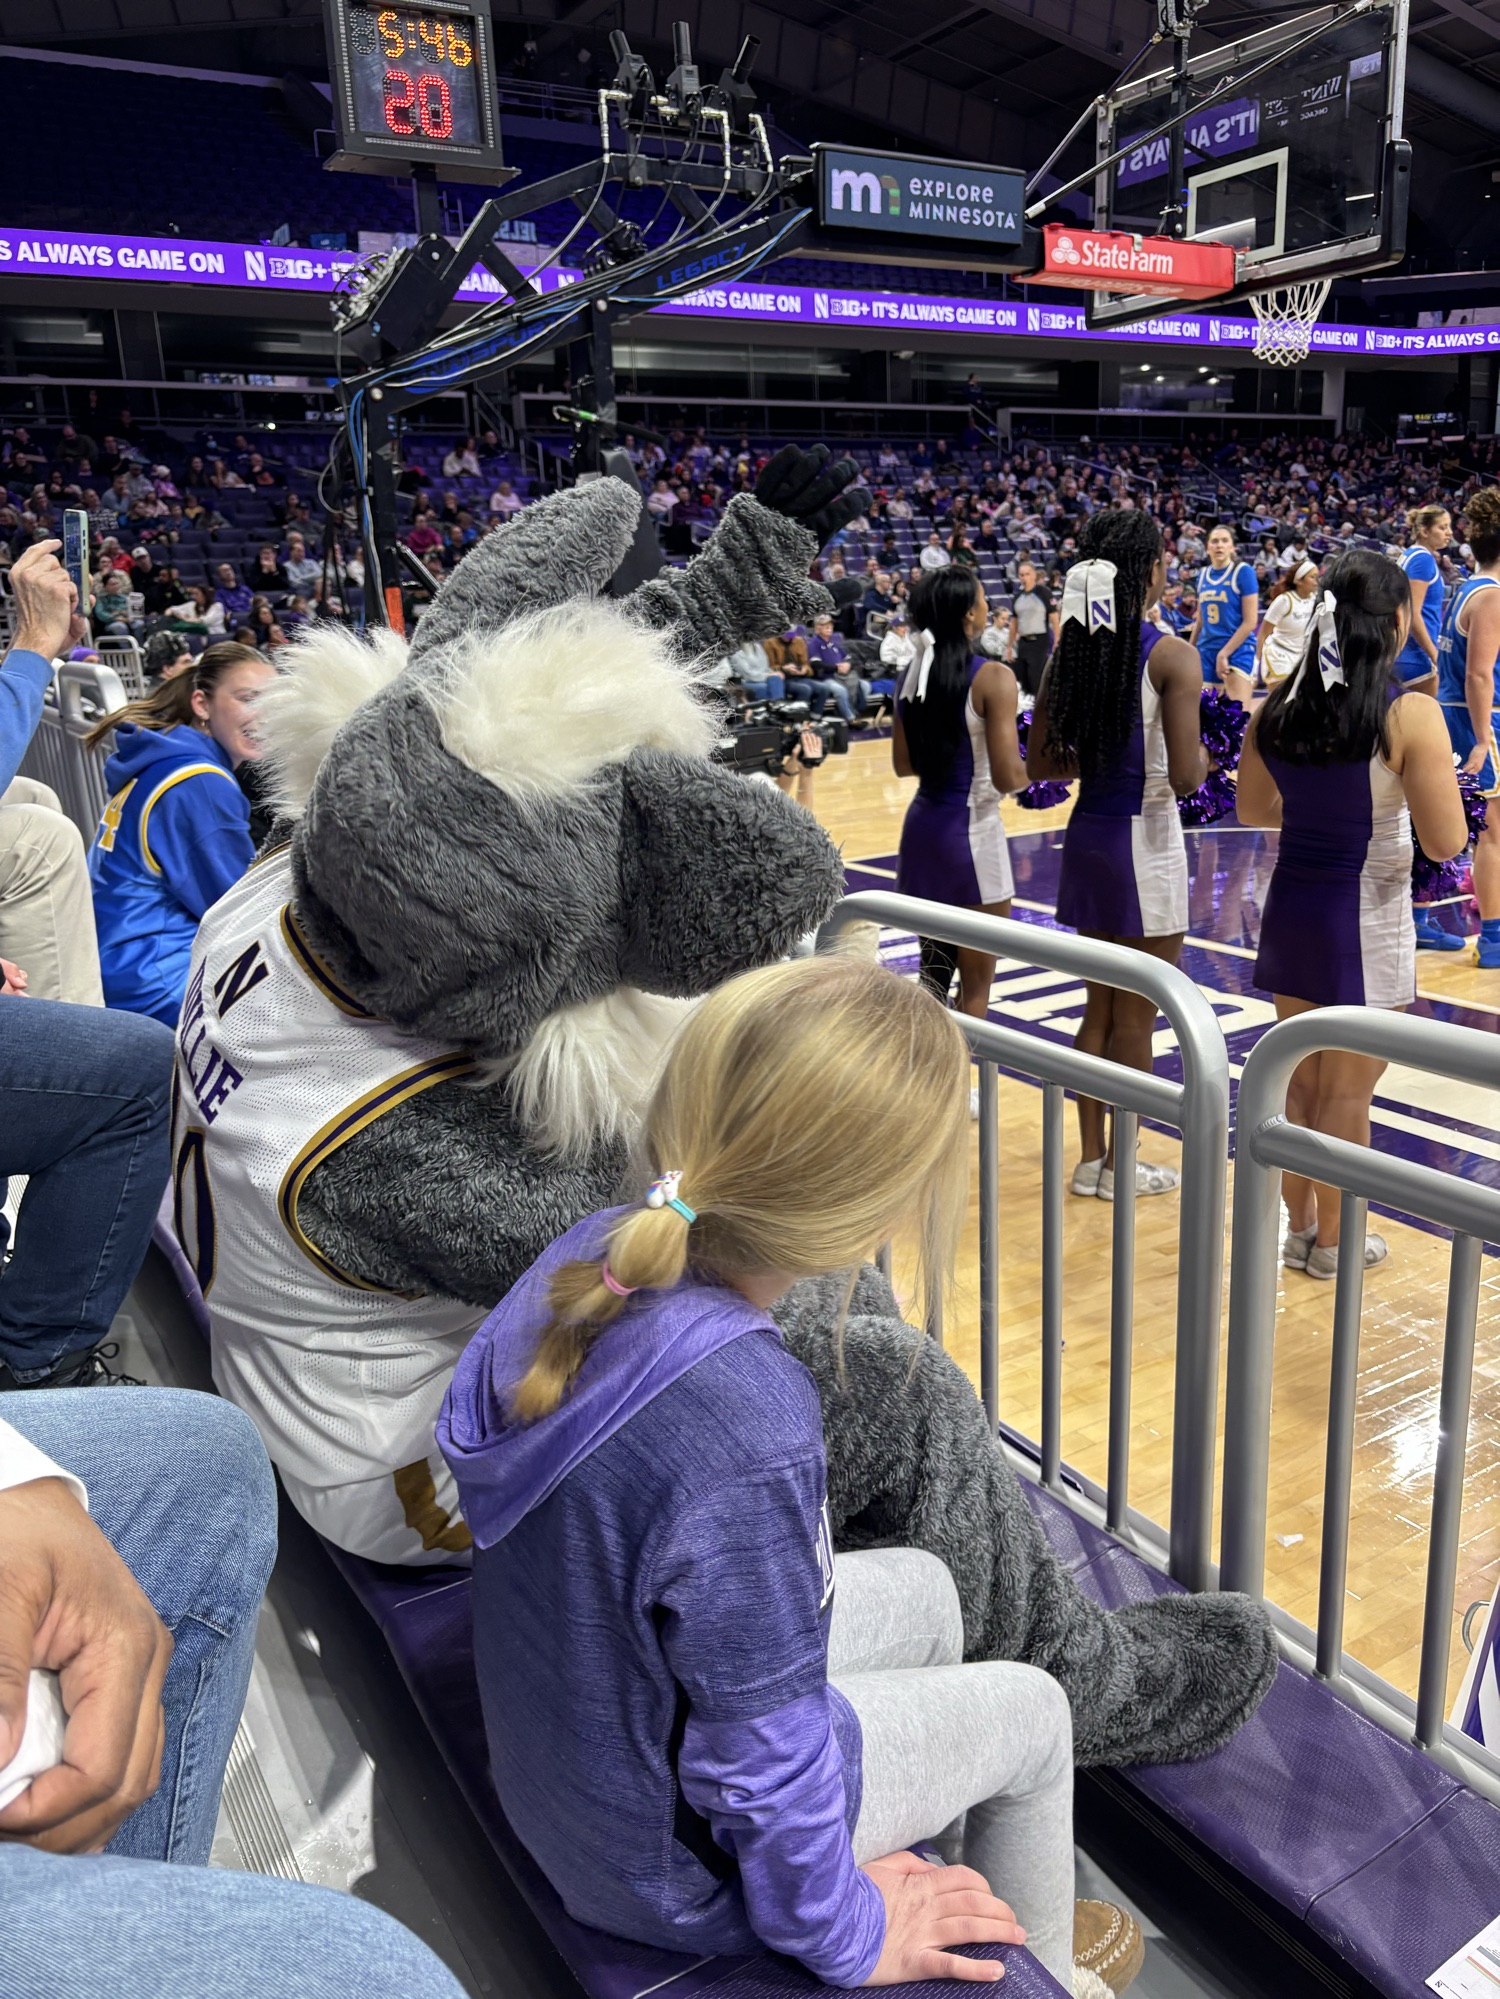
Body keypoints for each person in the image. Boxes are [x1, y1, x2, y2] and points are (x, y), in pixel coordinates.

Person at [439, 954, 1125, 1997]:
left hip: (567, 1755)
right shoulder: (747, 1421)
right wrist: (849, 1932)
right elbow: (753, 1760)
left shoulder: (595, 1257)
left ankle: (933, 1873)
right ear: (865, 1217)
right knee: (1033, 1714)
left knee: (931, 1590)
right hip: (659, 1865)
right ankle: (1048, 1972)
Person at [1237, 549, 1466, 1275]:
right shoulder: (1408, 711)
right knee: (1344, 1090)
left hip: (1292, 906)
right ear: (1398, 619)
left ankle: (1302, 1228)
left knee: (1302, 1080)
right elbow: (1446, 841)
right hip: (1364, 915)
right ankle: (1337, 1242)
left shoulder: (1278, 706)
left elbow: (1253, 809)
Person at [1027, 509, 1207, 1200]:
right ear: (1148, 570)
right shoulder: (1171, 655)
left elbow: (1043, 764)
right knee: (1137, 1017)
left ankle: (1091, 1159)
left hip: (1089, 837)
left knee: (1097, 1009)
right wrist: (1205, 756)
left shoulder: (1070, 653)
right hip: (1145, 841)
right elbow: (1186, 778)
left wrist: (1102, 751)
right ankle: (1122, 1170)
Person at [86, 642, 276, 1025]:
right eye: (247, 699)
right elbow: (239, 912)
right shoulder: (201, 783)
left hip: (115, 962)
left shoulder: (165, 758)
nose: (265, 715)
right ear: (202, 704)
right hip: (155, 985)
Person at [894, 566, 1026, 1027]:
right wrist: (1054, 766)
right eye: (984, 598)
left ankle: (923, 1070)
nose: (988, 605)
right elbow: (1009, 777)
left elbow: (903, 764)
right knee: (975, 992)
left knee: (932, 981)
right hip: (971, 837)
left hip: (922, 833)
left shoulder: (911, 674)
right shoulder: (993, 677)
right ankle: (965, 1076)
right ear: (969, 614)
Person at [1437, 487, 1500, 968]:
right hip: (1476, 719)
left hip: (1455, 714)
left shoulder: (1467, 586)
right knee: (1493, 834)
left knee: (1484, 833)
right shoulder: (1491, 595)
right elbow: (1478, 675)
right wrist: (1482, 738)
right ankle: (1493, 939)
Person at [1189, 525, 1259, 701]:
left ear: (1232, 547)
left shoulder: (1243, 572)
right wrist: (1190, 650)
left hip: (1237, 649)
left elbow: (1250, 622)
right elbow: (1201, 619)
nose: (1219, 545)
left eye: (1224, 541)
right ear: (1207, 547)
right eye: (1214, 541)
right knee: (1207, 714)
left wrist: (1224, 653)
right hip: (1206, 650)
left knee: (1236, 713)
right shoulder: (1202, 575)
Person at [1394, 504, 1450, 695]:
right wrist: (1434, 655)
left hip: (1405, 651)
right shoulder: (1422, 560)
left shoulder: (1410, 554)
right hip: (1415, 654)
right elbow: (1412, 612)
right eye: (1442, 527)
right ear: (1424, 531)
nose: (1449, 532)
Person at [1255, 558, 1320, 691]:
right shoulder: (1284, 601)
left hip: (1301, 654)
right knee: (1280, 699)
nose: (1316, 581)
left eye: (1317, 577)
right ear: (1299, 581)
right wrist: (1255, 665)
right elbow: (1263, 634)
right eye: (1312, 577)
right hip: (1279, 654)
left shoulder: (1315, 599)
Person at [1007, 558, 1057, 698]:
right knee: (1024, 681)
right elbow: (1014, 623)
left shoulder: (1043, 593)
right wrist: (1009, 646)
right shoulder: (1017, 596)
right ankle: (1028, 709)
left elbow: (1054, 618)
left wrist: (1057, 640)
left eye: (1027, 574)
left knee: (1036, 678)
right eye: (1021, 575)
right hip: (1023, 642)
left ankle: (1040, 707)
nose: (1024, 577)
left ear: (1034, 575)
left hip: (1039, 641)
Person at [805, 612, 868, 722]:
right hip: (825, 678)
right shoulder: (814, 643)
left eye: (830, 625)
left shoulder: (833, 644)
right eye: (825, 625)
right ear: (817, 628)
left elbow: (849, 658)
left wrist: (848, 665)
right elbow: (816, 664)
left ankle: (855, 711)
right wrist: (836, 668)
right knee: (840, 690)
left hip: (842, 676)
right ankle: (850, 718)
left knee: (865, 685)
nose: (830, 627)